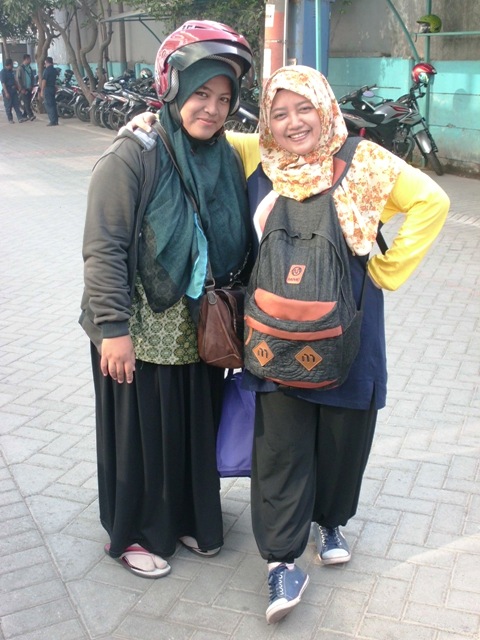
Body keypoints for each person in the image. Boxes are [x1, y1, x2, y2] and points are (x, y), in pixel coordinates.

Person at [127, 64, 449, 622]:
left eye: (304, 109)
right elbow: (206, 132)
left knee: (343, 439)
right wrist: (150, 125)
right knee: (279, 449)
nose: (293, 123)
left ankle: (330, 520)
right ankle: (281, 561)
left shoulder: (367, 163)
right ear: (268, 122)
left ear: (325, 110)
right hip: (273, 338)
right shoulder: (261, 155)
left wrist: (387, 270)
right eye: (279, 113)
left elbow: (433, 202)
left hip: (348, 333)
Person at [79, 21, 253, 579]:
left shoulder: (225, 155)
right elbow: (103, 245)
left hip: (200, 328)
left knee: (190, 430)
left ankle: (185, 517)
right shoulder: (133, 154)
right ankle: (134, 532)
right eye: (201, 92)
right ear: (172, 86)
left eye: (224, 97)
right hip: (138, 329)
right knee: (142, 438)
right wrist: (112, 329)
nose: (212, 108)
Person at [1, 59, 27, 123]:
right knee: (8, 106)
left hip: (13, 90)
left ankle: (20, 118)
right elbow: (3, 83)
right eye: (12, 65)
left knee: (16, 104)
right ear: (9, 65)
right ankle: (10, 119)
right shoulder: (3, 72)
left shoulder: (11, 71)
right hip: (8, 90)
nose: (12, 66)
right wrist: (6, 93)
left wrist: (19, 88)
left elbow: (15, 81)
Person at [17, 54, 36, 120]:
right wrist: (21, 88)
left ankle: (24, 115)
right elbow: (18, 79)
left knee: (28, 102)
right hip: (23, 89)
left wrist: (32, 85)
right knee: (26, 102)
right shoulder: (20, 68)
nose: (30, 61)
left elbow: (32, 77)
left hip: (29, 88)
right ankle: (31, 115)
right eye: (29, 59)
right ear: (26, 59)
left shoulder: (29, 68)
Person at [41, 56, 58, 126]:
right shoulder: (54, 70)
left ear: (46, 62)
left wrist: (42, 90)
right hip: (53, 88)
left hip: (48, 89)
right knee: (53, 104)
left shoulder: (46, 70)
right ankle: (55, 120)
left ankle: (52, 121)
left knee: (48, 105)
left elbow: (44, 81)